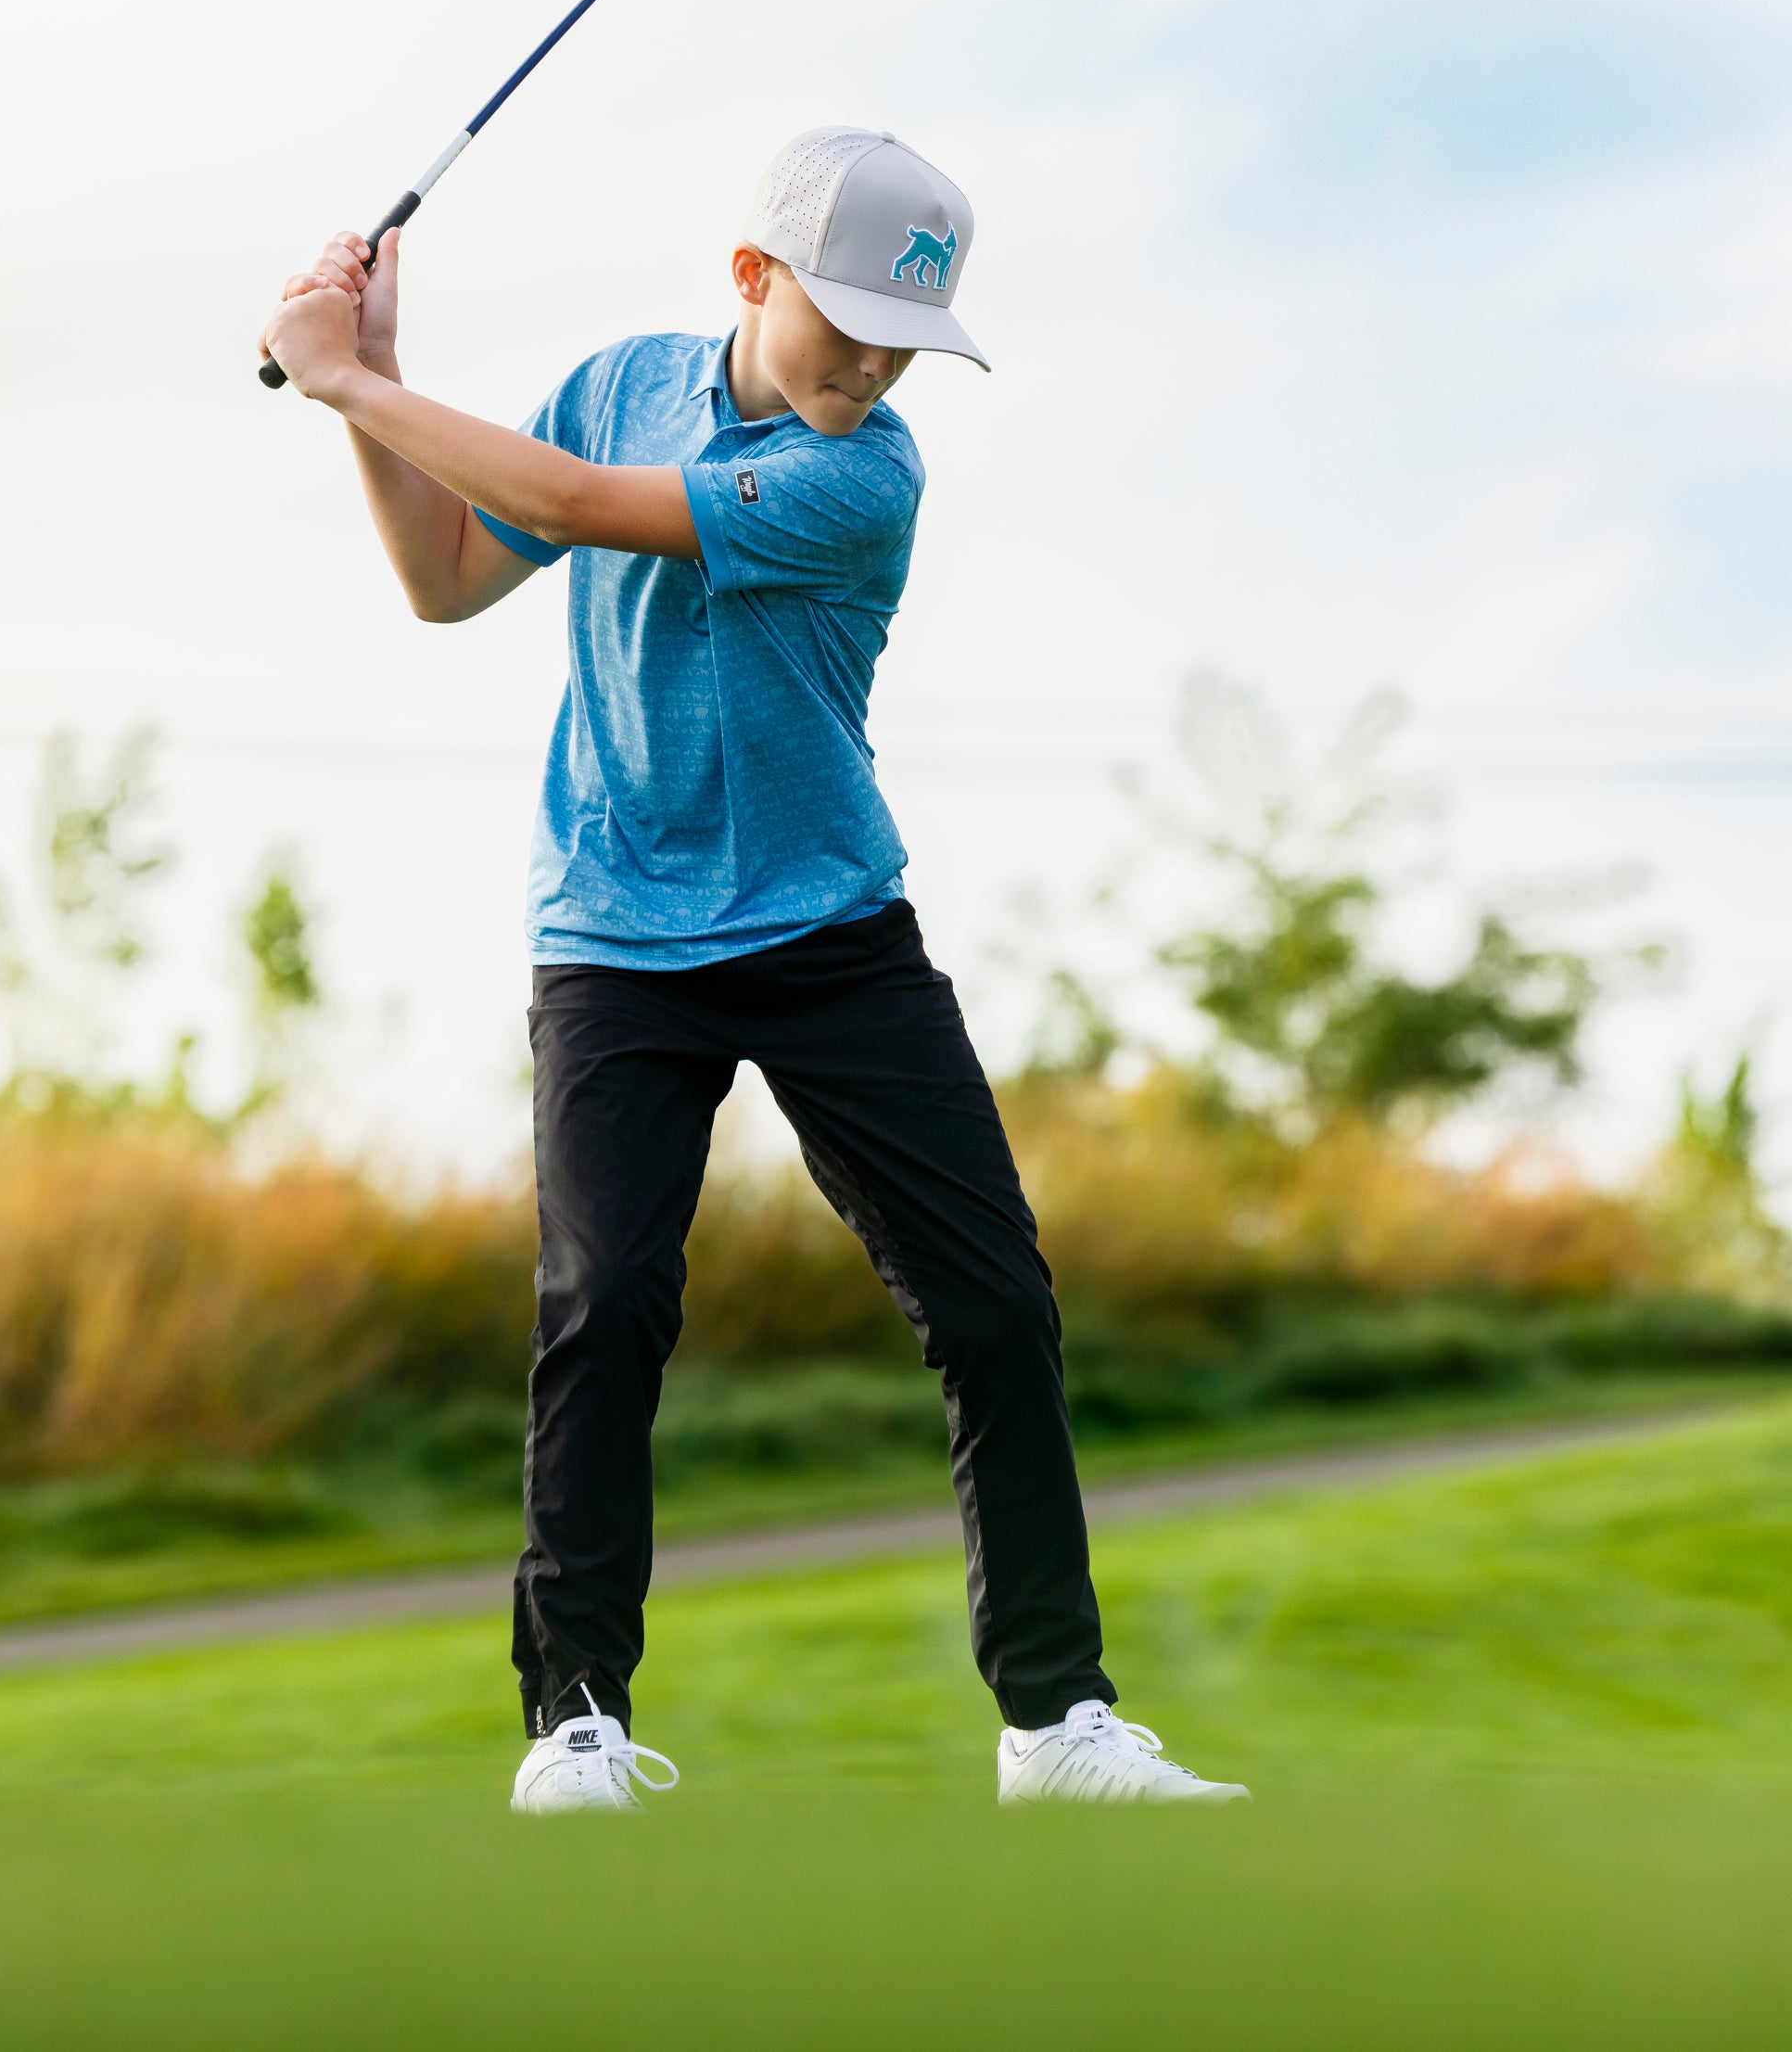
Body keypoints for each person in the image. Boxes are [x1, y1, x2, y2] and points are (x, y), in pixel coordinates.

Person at [260, 127, 1249, 1813]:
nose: (873, 366)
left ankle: (1053, 1726)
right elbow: (444, 579)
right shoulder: (612, 388)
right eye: (848, 324)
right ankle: (575, 1724)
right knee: (605, 1308)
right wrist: (377, 384)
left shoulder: (867, 480)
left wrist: (345, 377)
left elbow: (574, 510)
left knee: (995, 1306)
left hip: (827, 929)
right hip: (614, 930)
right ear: (751, 275)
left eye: (905, 341)